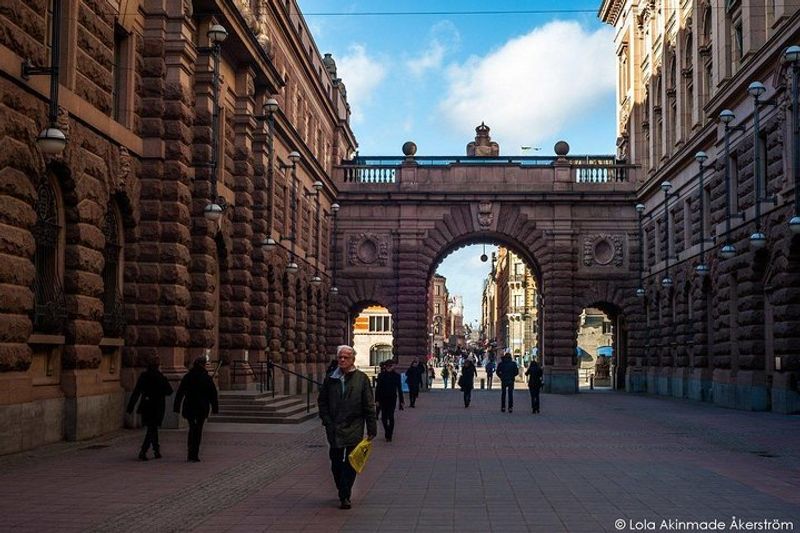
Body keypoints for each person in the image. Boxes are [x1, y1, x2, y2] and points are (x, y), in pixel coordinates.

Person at [318, 345, 377, 510]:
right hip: (334, 427)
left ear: (353, 360)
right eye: (340, 357)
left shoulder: (362, 379)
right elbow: (322, 401)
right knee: (336, 462)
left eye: (346, 357)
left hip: (354, 426)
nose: (342, 360)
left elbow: (369, 405)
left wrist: (372, 428)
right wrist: (327, 420)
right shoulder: (331, 379)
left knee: (351, 462)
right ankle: (342, 489)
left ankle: (345, 495)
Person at [126, 357, 173, 461]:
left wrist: (131, 406)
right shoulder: (160, 377)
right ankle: (144, 450)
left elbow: (137, 391)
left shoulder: (144, 376)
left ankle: (156, 450)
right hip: (157, 406)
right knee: (152, 428)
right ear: (158, 366)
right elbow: (169, 391)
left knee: (152, 428)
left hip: (146, 405)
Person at [173, 357, 219, 462]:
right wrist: (215, 408)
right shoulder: (206, 377)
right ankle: (195, 453)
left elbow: (180, 392)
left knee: (192, 428)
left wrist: (176, 406)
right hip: (202, 407)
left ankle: (190, 451)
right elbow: (213, 394)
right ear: (203, 364)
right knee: (198, 429)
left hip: (189, 406)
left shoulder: (188, 376)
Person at [374, 359, 404, 441]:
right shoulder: (381, 375)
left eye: (391, 366)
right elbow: (378, 388)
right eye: (387, 366)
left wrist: (401, 401)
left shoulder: (396, 376)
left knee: (391, 416)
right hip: (382, 398)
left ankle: (389, 433)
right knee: (383, 417)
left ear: (393, 366)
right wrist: (376, 400)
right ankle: (387, 430)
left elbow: (399, 389)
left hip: (392, 399)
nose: (389, 368)